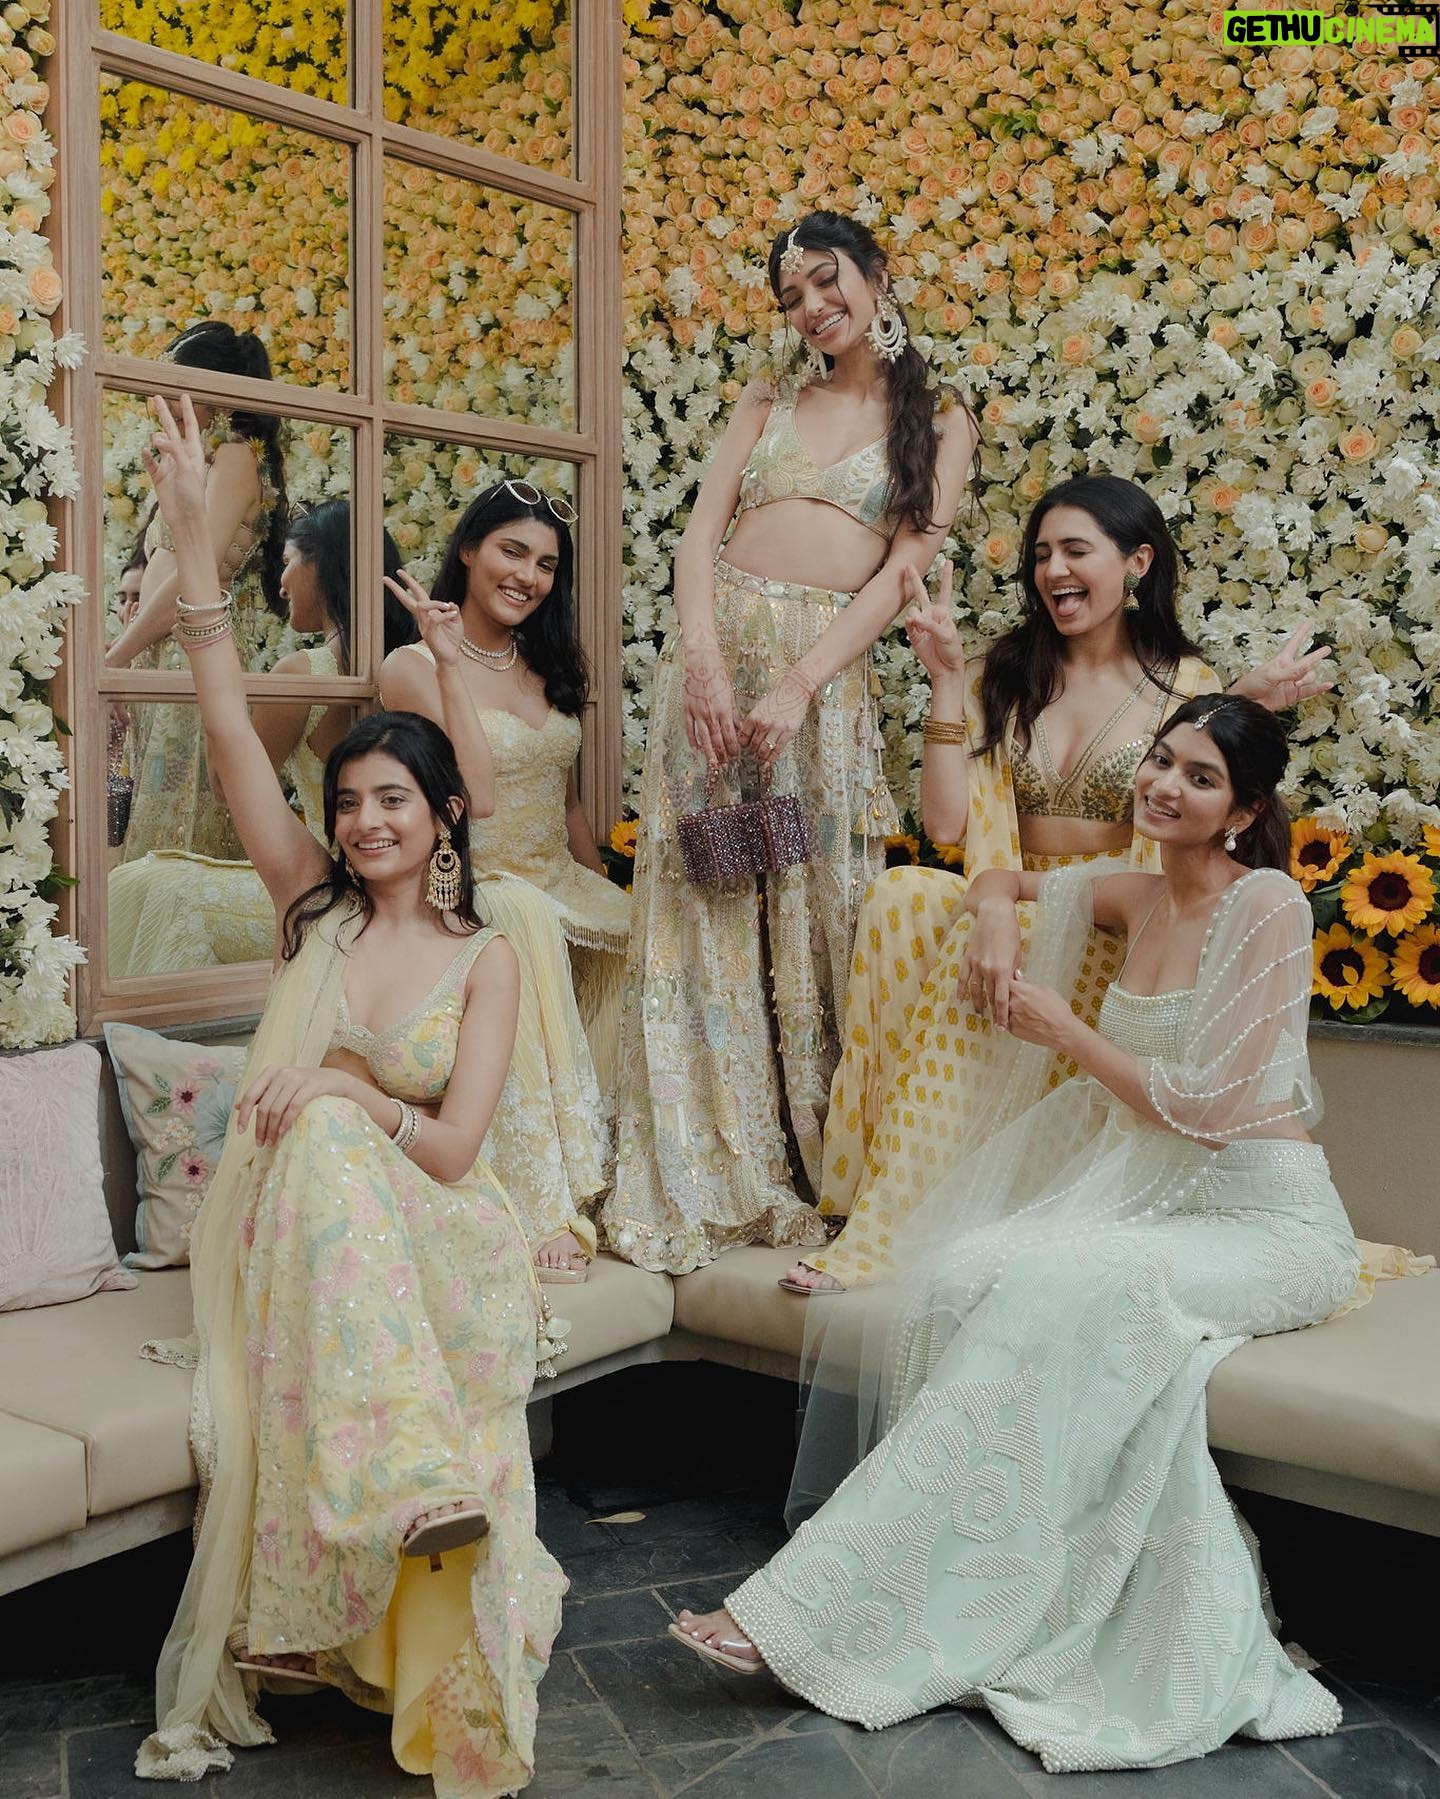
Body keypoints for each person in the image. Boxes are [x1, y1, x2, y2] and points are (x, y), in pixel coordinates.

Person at [670, 696, 1362, 1774]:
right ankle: (980, 1590)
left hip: (1264, 1218)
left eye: (1202, 778)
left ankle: (812, 1606)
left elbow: (1217, 1110)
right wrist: (995, 915)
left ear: (1243, 810)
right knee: (966, 1270)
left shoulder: (1266, 903)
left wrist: (1067, 1030)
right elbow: (996, 876)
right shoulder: (1134, 891)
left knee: (1059, 1286)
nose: (1166, 786)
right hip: (1156, 1203)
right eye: (1163, 760)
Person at [133, 396, 564, 1799]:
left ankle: (413, 1483)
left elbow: (454, 1147)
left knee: (329, 1114)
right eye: (351, 801)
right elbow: (226, 721)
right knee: (316, 1126)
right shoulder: (310, 909)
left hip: (439, 1228)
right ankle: (411, 1483)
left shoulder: (488, 957)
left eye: (394, 799)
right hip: (308, 1228)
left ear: (442, 816)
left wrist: (346, 1086)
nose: (367, 820)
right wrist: (195, 549)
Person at [789, 473, 1334, 1292]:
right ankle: (886, 1202)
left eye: (1076, 550)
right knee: (905, 896)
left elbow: (1196, 790)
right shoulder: (1003, 671)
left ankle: (886, 1241)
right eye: (1042, 554)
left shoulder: (1185, 684)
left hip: (1109, 912)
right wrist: (946, 681)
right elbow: (946, 826)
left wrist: (1244, 697)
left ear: (1137, 563)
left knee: (1013, 927)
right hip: (1007, 890)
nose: (1054, 570)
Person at [602, 210, 981, 1275]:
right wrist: (705, 663)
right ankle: (708, 1160)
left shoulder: (940, 417)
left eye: (827, 281)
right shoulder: (767, 396)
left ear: (876, 276)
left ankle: (822, 1163)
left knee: (816, 908)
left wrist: (803, 684)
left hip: (819, 689)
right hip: (714, 685)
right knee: (708, 895)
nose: (813, 308)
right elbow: (698, 535)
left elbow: (903, 570)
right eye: (793, 296)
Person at [382, 481, 626, 1281]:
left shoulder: (546, 665)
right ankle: (544, 1198)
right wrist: (451, 662)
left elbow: (568, 803)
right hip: (470, 884)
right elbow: (468, 794)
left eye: (546, 564)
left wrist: (606, 890)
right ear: (468, 549)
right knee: (521, 916)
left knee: (643, 937)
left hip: (556, 875)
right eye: (512, 551)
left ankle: (618, 1175)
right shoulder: (412, 666)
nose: (528, 575)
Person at [107, 503, 417, 977]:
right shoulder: (412, 664)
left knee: (145, 884)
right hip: (394, 889)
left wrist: (211, 682)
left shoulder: (305, 673)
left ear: (321, 566)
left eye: (288, 562)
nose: (281, 583)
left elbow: (224, 786)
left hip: (329, 892)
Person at [108, 320, 289, 863]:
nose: (159, 399)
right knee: (157, 820)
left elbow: (195, 578)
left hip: (195, 654)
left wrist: (114, 660)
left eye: (175, 383)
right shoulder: (204, 458)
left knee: (179, 833)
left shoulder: (235, 457)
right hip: (167, 653)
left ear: (217, 392)